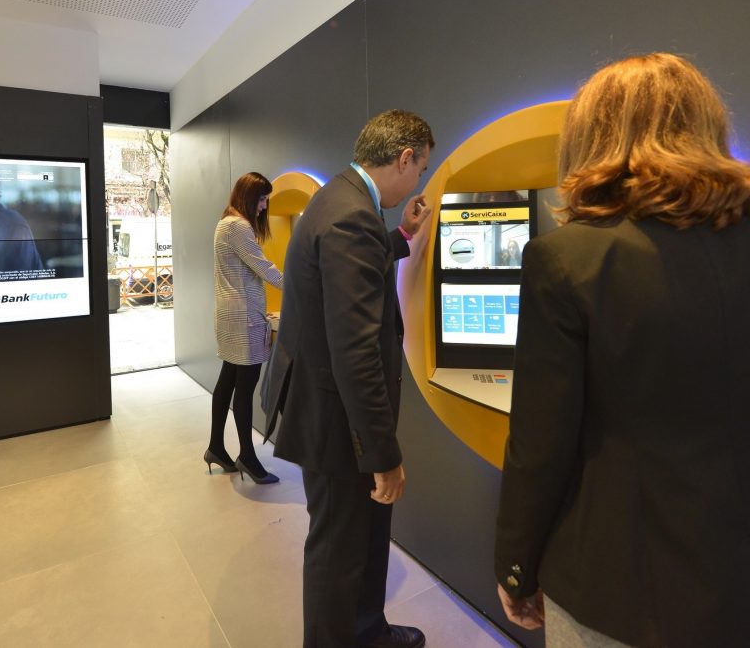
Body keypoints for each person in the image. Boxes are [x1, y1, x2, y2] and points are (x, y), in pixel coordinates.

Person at [495, 52, 750, 648]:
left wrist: (516, 565)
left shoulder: (567, 258)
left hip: (618, 582)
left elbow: (540, 444)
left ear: (591, 139)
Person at [261, 110, 434, 648]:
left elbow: (355, 266)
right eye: (421, 168)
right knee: (338, 550)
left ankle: (367, 632)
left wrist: (403, 234)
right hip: (336, 420)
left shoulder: (342, 200)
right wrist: (383, 454)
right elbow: (356, 352)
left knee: (363, 537)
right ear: (403, 158)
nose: (420, 179)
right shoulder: (350, 215)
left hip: (330, 408)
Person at [206, 172, 284, 483]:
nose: (264, 206)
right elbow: (264, 268)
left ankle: (215, 447)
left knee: (228, 381)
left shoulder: (224, 222)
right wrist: (302, 285)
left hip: (230, 315)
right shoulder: (238, 226)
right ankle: (247, 457)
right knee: (245, 386)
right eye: (262, 199)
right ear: (249, 197)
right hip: (244, 318)